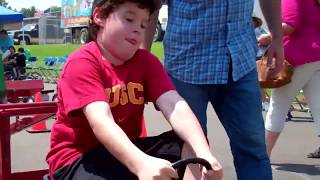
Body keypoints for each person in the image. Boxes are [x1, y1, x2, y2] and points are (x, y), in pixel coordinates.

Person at [46, 0, 223, 180]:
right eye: (129, 19)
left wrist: (204, 153)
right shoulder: (82, 62)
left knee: (192, 144)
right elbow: (101, 121)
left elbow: (174, 105)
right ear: (99, 17)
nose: (138, 29)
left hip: (125, 150)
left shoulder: (146, 62)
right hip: (78, 159)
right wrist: (141, 163)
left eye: (144, 24)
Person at [145, 0, 284, 179]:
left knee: (253, 150)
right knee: (191, 151)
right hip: (187, 64)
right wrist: (143, 59)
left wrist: (278, 38)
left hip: (239, 62)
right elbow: (152, 4)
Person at [259, 0, 320, 158]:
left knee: (278, 106)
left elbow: (289, 25)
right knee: (318, 106)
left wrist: (267, 38)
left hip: (298, 58)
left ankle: (263, 155)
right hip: (316, 57)